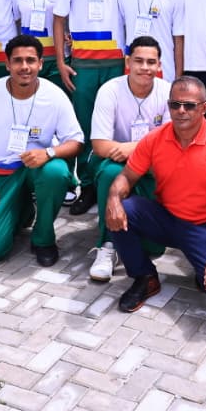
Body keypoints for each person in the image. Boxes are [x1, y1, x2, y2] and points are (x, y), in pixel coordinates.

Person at [105, 76, 206, 312]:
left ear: (204, 108)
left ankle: (203, 269)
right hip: (165, 217)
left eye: (189, 106)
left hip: (203, 225)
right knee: (122, 209)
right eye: (175, 104)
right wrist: (113, 199)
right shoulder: (155, 138)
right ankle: (145, 277)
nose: (181, 111)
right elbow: (126, 177)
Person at [0, 35, 84, 266]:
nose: (24, 67)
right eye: (17, 60)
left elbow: (76, 141)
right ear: (7, 64)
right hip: (2, 173)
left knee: (56, 172)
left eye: (30, 60)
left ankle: (43, 237)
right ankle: (22, 209)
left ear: (40, 63)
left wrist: (48, 153)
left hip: (37, 168)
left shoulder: (54, 95)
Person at [53, 0, 135, 214]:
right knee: (85, 125)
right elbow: (59, 19)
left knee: (112, 125)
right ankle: (86, 186)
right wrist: (61, 61)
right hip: (83, 64)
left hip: (115, 62)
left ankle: (109, 182)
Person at [87, 36, 172, 282]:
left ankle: (136, 227)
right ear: (127, 62)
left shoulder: (167, 91)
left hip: (152, 165)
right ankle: (107, 246)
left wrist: (134, 149)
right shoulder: (110, 90)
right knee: (112, 174)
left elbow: (171, 143)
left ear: (159, 65)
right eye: (139, 61)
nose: (145, 67)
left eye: (151, 62)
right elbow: (100, 145)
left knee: (154, 248)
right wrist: (131, 152)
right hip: (114, 161)